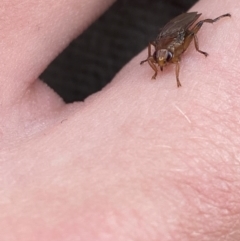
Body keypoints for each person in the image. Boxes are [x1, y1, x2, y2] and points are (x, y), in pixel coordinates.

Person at [0, 0, 238, 240]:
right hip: (167, 30)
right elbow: (156, 45)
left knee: (202, 25)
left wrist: (191, 57)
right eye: (159, 58)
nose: (162, 61)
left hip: (178, 28)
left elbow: (179, 38)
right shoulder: (159, 49)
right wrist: (155, 64)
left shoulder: (176, 49)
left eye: (163, 58)